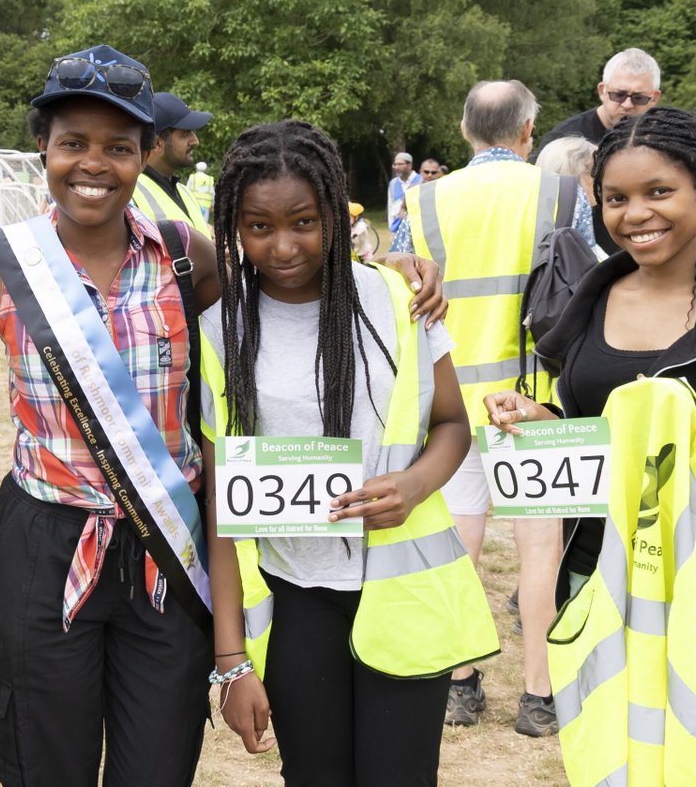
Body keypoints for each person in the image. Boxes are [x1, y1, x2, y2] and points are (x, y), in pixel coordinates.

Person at [0, 46, 446, 786]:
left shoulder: (190, 259)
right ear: (43, 147)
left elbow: (292, 279)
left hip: (165, 551)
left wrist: (394, 269)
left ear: (146, 154)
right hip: (42, 548)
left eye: (119, 147)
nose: (94, 164)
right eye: (73, 144)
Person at [484, 106, 696, 786]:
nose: (636, 215)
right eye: (616, 199)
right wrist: (543, 419)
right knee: (612, 760)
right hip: (603, 576)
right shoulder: (590, 306)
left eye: (660, 192)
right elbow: (597, 425)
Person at [200, 119, 495, 786]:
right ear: (235, 228)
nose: (283, 246)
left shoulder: (398, 300)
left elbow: (451, 422)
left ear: (336, 211)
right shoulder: (219, 331)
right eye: (258, 227)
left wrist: (416, 484)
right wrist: (232, 661)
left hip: (404, 594)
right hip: (297, 596)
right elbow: (219, 507)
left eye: (303, 221)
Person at [387, 79, 595, 736]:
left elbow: (396, 295)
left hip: (448, 404)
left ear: (464, 128)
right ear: (530, 129)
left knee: (457, 548)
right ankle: (539, 696)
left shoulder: (421, 202)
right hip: (535, 403)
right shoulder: (563, 194)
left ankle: (460, 683)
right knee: (540, 553)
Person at [537, 48, 663, 255]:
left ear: (655, 98)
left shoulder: (666, 138)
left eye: (639, 98)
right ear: (602, 90)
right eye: (618, 95)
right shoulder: (565, 142)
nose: (627, 104)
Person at [131, 91, 212, 238]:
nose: (195, 141)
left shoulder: (185, 192)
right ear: (156, 144)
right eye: (185, 134)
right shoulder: (130, 194)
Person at [536, 135, 603, 258]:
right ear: (582, 173)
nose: (601, 182)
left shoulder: (532, 206)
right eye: (597, 173)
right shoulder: (579, 209)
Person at [387, 152, 421, 232]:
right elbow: (390, 206)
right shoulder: (393, 183)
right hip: (398, 228)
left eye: (400, 164)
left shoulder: (421, 180)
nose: (396, 167)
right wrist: (391, 228)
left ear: (409, 165)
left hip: (417, 228)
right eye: (395, 164)